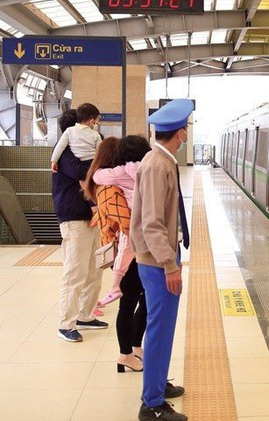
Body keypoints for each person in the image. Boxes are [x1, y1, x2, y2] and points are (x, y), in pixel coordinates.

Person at [131, 99, 192, 421]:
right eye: (187, 129)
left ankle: (157, 383)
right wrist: (170, 264)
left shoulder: (160, 161)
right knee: (159, 327)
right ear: (181, 133)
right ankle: (151, 404)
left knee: (164, 326)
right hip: (157, 261)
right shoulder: (157, 165)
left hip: (161, 255)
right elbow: (151, 223)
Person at [53, 107, 108, 343]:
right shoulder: (65, 153)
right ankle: (66, 323)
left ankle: (85, 315)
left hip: (93, 215)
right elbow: (84, 171)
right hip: (74, 216)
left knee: (95, 269)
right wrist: (101, 164)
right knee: (75, 270)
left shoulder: (84, 149)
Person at [92, 136, 148, 308]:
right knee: (134, 299)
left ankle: (114, 285)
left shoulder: (119, 173)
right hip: (144, 222)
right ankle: (115, 286)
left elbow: (97, 177)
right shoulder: (147, 169)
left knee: (129, 301)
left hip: (129, 230)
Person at [51, 103, 102, 173]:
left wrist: (54, 161)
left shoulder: (69, 131)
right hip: (91, 162)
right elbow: (100, 151)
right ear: (92, 122)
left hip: (76, 159)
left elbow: (59, 147)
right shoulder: (95, 134)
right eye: (96, 122)